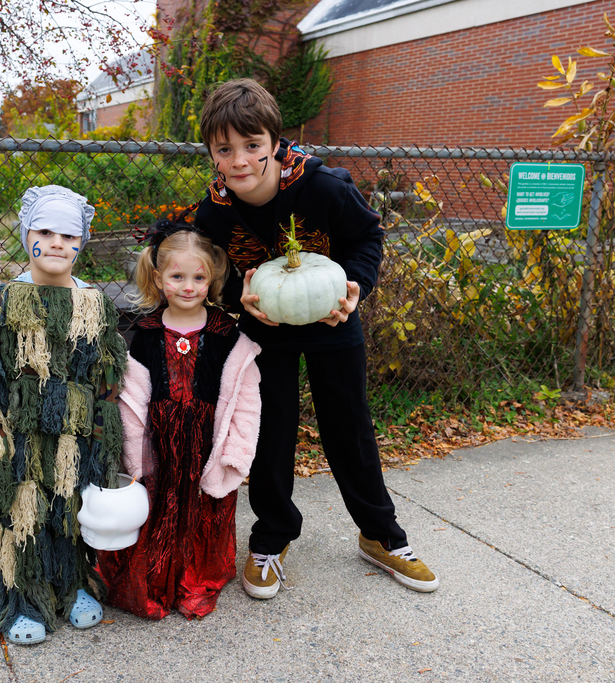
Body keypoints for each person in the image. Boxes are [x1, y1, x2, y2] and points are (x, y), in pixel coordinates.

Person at [193, 78, 438, 597]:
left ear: (275, 143)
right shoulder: (215, 209)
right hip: (266, 328)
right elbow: (211, 266)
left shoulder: (323, 187)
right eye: (224, 149)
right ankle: (271, 538)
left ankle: (381, 536)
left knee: (349, 430)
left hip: (332, 319)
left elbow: (366, 238)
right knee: (271, 434)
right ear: (212, 152)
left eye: (252, 145)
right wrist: (239, 296)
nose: (238, 159)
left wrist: (355, 289)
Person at [0, 185, 128, 644]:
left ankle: (73, 586)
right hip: (21, 435)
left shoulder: (94, 303)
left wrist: (101, 432)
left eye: (69, 234)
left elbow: (108, 369)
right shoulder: (0, 300)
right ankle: (24, 599)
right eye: (45, 231)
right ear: (25, 234)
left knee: (71, 509)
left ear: (82, 242)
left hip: (75, 436)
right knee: (24, 514)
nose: (57, 242)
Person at [96, 220, 262, 619]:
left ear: (212, 279)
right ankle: (155, 580)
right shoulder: (147, 332)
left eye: (198, 277)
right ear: (158, 278)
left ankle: (194, 578)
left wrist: (237, 451)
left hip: (207, 441)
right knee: (159, 510)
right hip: (159, 444)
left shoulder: (226, 334)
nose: (188, 286)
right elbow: (132, 399)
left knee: (202, 510)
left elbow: (245, 398)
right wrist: (135, 457)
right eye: (177, 276)